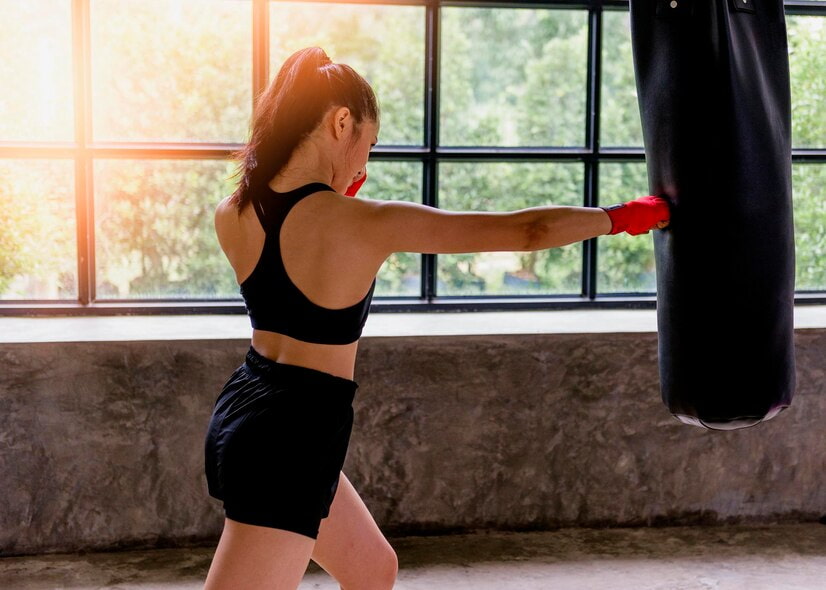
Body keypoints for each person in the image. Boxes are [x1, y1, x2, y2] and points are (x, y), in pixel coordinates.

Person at [203, 47, 670, 590]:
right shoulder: (362, 223)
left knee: (374, 570)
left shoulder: (233, 212)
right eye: (367, 146)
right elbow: (528, 231)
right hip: (291, 440)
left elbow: (291, 271)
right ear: (340, 122)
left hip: (250, 408)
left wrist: (335, 191)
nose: (364, 167)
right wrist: (629, 217)